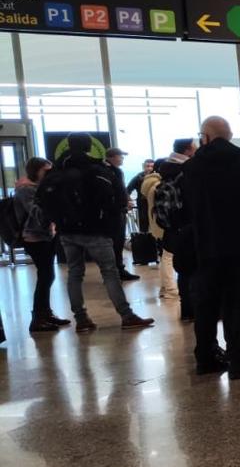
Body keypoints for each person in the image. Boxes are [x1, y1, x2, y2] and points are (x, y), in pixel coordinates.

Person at [181, 117, 240, 378]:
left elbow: (186, 205)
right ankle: (239, 358)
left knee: (207, 303)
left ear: (206, 137)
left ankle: (206, 357)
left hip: (207, 244)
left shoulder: (192, 167)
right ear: (228, 135)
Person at [36, 134, 154, 333]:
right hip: (96, 230)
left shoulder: (56, 171)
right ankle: (126, 315)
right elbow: (117, 199)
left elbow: (41, 200)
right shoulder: (98, 170)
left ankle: (81, 319)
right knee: (109, 272)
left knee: (74, 273)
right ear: (89, 146)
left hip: (66, 231)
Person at [14, 157, 70, 333]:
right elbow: (37, 213)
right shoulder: (26, 190)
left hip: (45, 236)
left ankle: (45, 313)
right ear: (36, 170)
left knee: (48, 275)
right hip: (35, 238)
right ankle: (38, 317)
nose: (49, 174)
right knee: (45, 276)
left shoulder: (38, 188)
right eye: (46, 171)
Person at [145, 138, 197, 318]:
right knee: (188, 265)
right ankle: (186, 302)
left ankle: (186, 308)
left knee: (181, 265)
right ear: (188, 150)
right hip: (187, 224)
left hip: (173, 226)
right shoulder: (186, 171)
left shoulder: (166, 172)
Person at [104, 147, 138, 281]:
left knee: (117, 242)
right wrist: (123, 203)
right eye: (120, 156)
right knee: (116, 242)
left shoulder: (114, 171)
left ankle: (117, 269)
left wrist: (126, 200)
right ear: (112, 157)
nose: (122, 159)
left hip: (117, 211)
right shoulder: (111, 172)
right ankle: (116, 271)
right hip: (114, 213)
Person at [126, 158, 155, 234]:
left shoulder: (157, 177)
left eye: (151, 166)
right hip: (143, 205)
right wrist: (129, 201)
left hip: (155, 204)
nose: (149, 168)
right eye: (147, 166)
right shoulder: (138, 178)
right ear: (143, 166)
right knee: (144, 227)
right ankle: (144, 242)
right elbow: (127, 190)